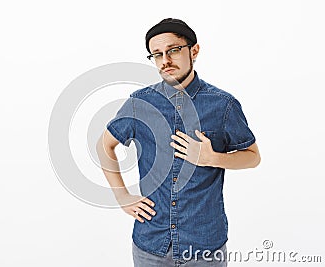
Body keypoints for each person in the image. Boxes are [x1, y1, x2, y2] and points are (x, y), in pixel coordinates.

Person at [96, 18, 261, 267]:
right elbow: (105, 145)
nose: (165, 60)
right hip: (151, 245)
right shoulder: (139, 104)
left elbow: (253, 156)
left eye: (173, 50)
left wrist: (212, 158)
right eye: (157, 54)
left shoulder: (223, 105)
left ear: (194, 50)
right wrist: (122, 196)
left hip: (205, 247)